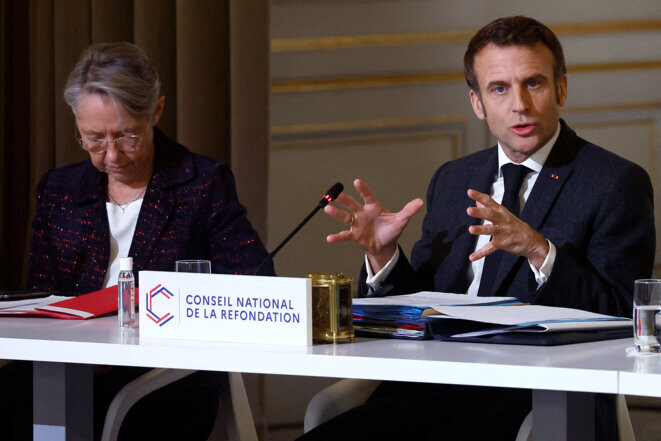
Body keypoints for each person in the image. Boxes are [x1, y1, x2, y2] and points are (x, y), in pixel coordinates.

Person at [303, 16, 656, 440]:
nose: (519, 105)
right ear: (477, 102)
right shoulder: (453, 179)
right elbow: (421, 310)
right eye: (500, 89)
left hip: (536, 397)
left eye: (535, 83)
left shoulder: (614, 181)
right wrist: (381, 255)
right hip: (425, 391)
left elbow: (622, 315)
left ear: (561, 88)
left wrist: (540, 252)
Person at [2, 42, 274, 441]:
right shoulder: (59, 190)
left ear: (156, 112)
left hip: (163, 375)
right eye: (93, 139)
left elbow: (258, 283)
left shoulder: (201, 183)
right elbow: (41, 300)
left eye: (127, 136)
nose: (111, 155)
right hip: (66, 367)